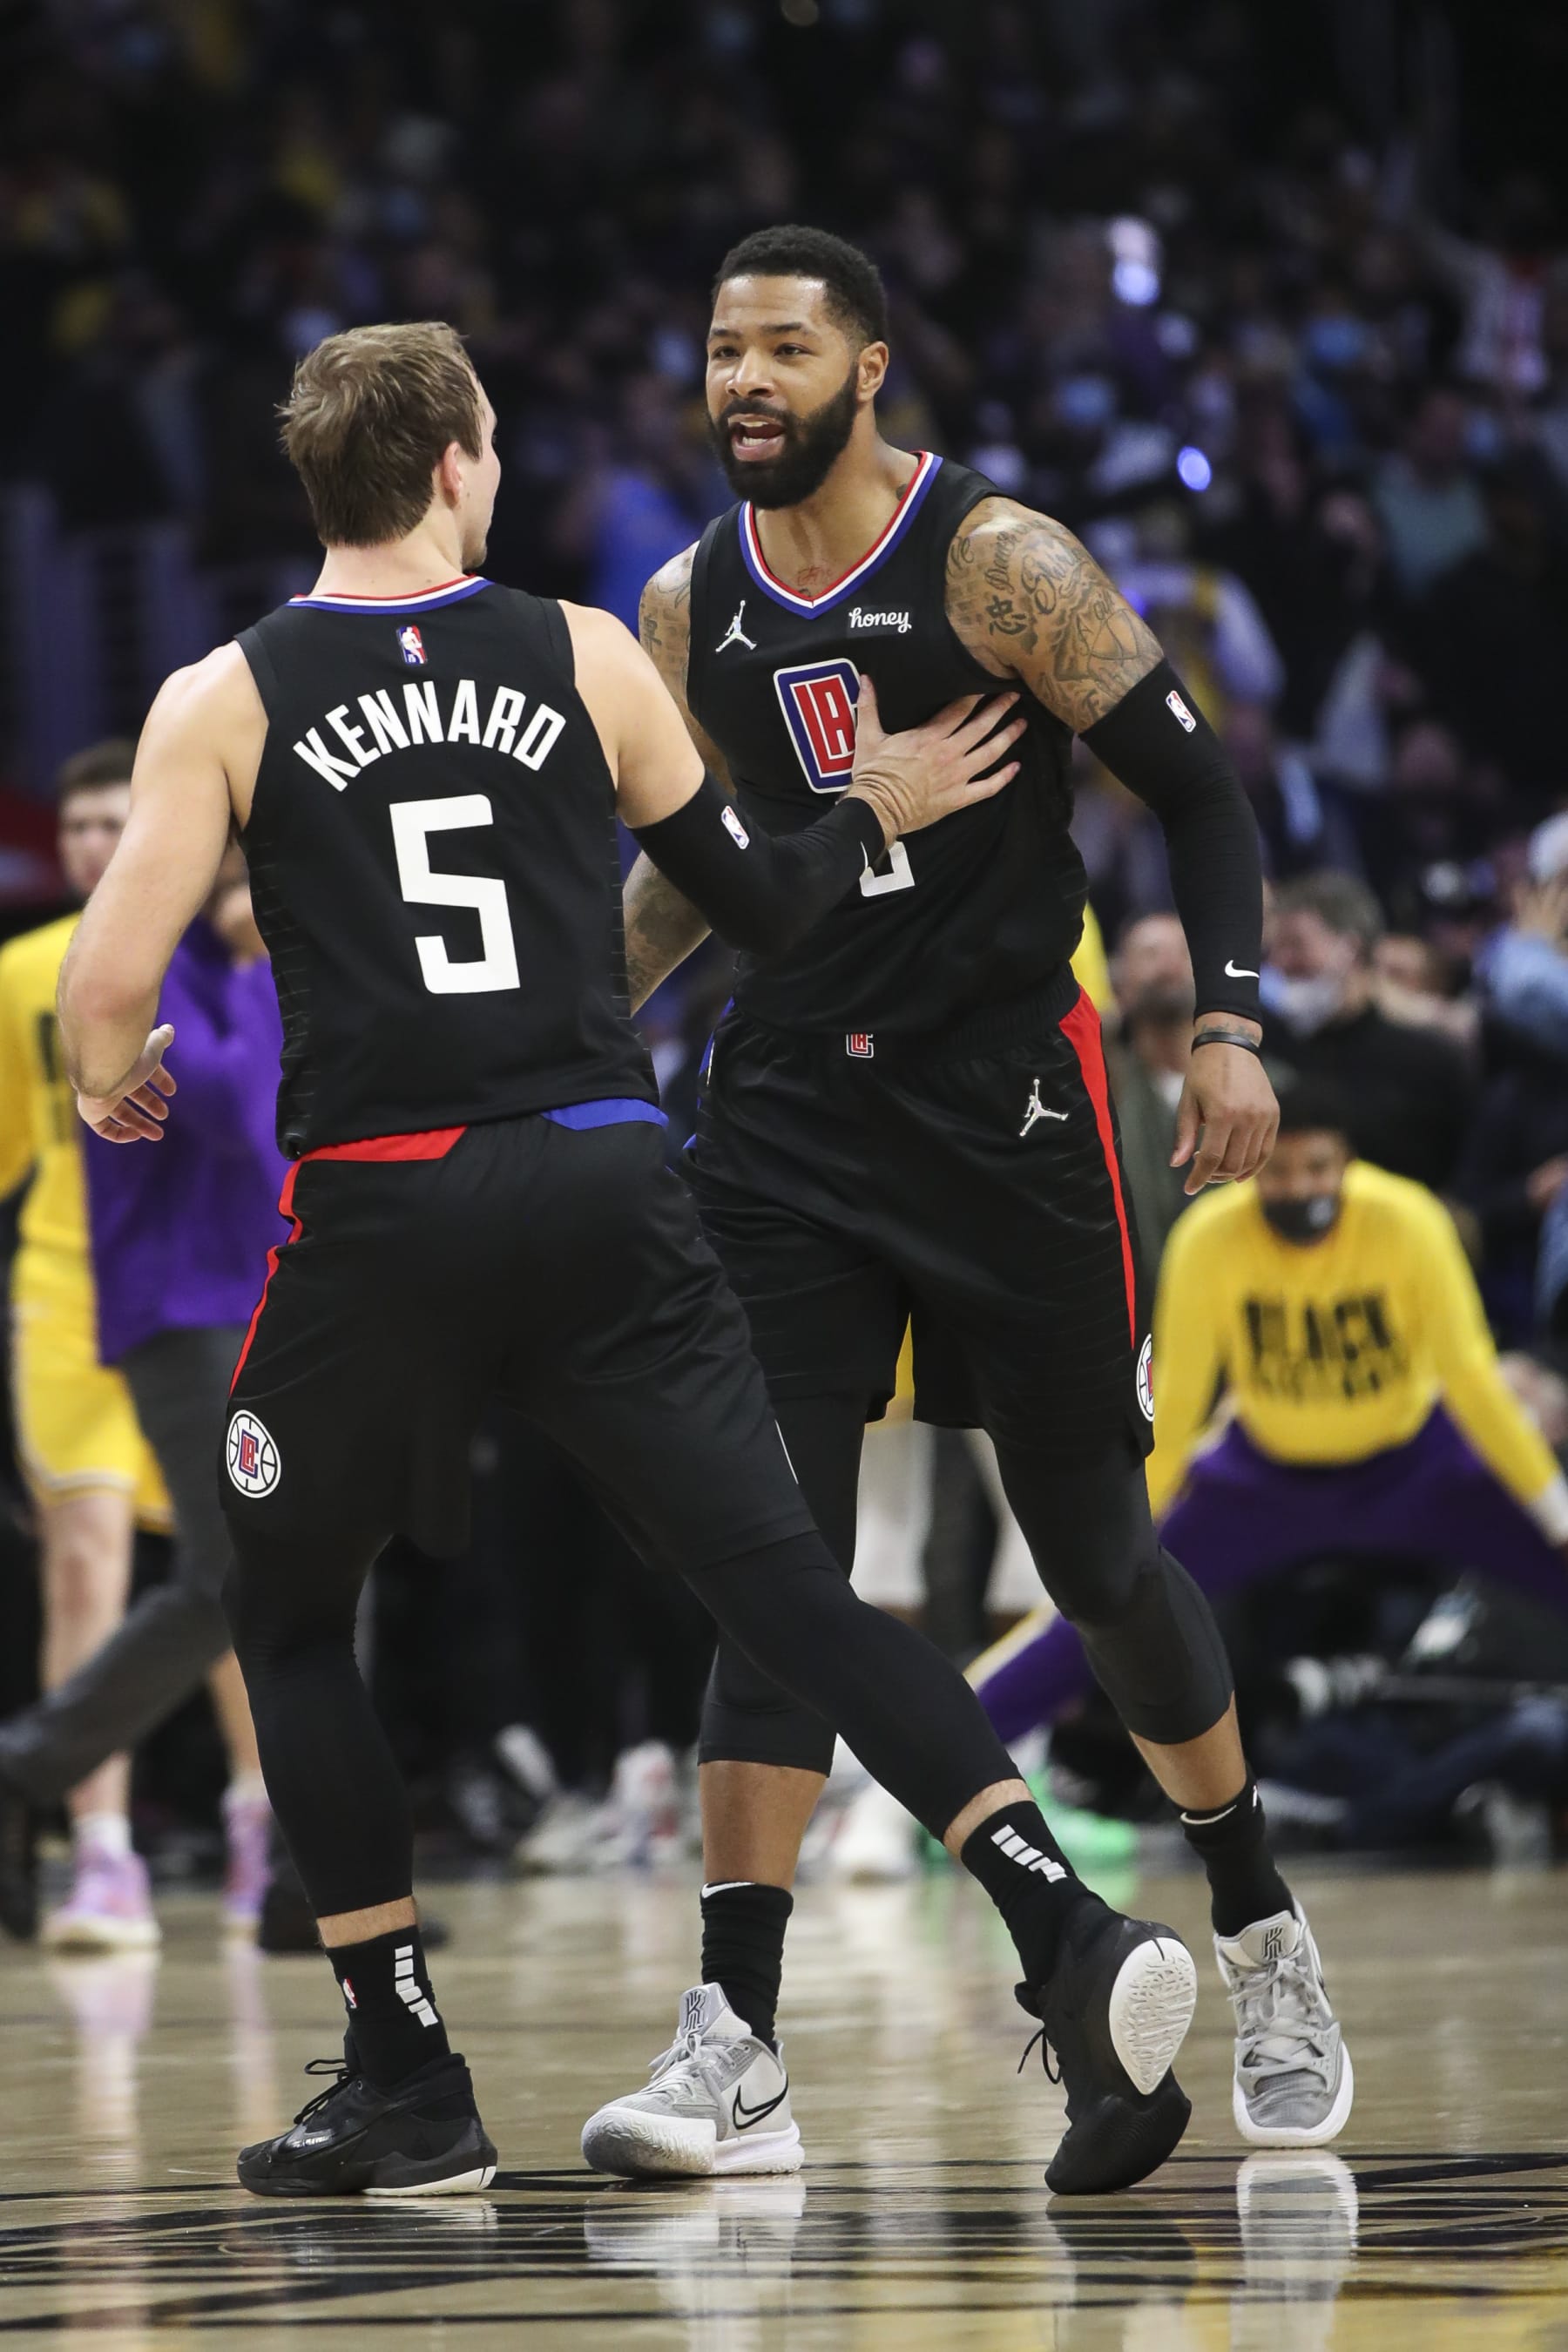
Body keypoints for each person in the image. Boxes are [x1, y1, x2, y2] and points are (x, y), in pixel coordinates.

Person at [57, 318, 1208, 2203]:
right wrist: (874, 806)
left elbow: (108, 993)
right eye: (492, 442)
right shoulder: (585, 650)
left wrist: (115, 1074)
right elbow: (755, 905)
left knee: (285, 1612)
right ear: (452, 467)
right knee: (790, 1594)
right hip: (607, 1180)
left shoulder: (224, 692)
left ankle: (409, 2073)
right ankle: (1065, 1936)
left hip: (386, 1209)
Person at [596, 224, 1349, 2175]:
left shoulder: (1000, 559)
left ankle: (1261, 1926)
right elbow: (696, 873)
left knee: (1098, 1558)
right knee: (774, 1559)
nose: (740, 381)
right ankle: (734, 2039)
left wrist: (1233, 1026)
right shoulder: (688, 605)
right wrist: (570, 1020)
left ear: (868, 370)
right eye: (717, 351)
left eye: (780, 349)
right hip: (783, 1123)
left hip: (1007, 1102)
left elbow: (1200, 794)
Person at [974, 1079, 1568, 1759]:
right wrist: (1131, 1527)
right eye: (1278, 1171)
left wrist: (1556, 1515)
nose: (1300, 1188)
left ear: (1347, 1163)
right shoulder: (1210, 1238)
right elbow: (1176, 1398)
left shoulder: (1409, 1222)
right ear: (1249, 1167)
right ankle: (915, 1777)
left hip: (1416, 1464)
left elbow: (1472, 1379)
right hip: (1263, 1479)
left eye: (1317, 1168)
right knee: (1100, 1604)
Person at [0, 747, 270, 1947]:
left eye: (126, 822)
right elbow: (223, 1106)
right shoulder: (96, 965)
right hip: (138, 1295)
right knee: (175, 1571)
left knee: (277, 1574)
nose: (104, 847)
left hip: (262, 1287)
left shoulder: (222, 953)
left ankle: (291, 1846)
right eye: (83, 826)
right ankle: (66, 1810)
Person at [1265, 870, 1472, 1191]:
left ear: (1350, 948)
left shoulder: (1431, 1060)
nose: (1281, 963)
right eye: (1276, 949)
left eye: (1296, 944)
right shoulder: (1267, 1052)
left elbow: (1466, 1181)